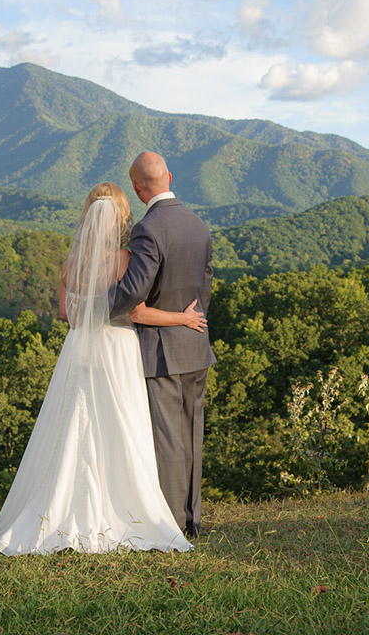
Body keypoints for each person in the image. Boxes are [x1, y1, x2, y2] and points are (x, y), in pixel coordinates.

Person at [0, 182, 203, 555]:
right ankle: (122, 509)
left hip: (79, 350)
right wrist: (183, 318)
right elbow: (136, 310)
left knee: (73, 427)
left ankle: (57, 510)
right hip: (117, 349)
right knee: (119, 427)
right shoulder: (124, 260)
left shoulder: (72, 261)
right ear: (121, 218)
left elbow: (68, 315)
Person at [110, 152, 216, 539]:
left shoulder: (147, 228)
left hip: (160, 349)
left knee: (169, 441)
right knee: (192, 436)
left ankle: (171, 527)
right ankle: (193, 521)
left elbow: (134, 290)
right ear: (169, 177)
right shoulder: (198, 224)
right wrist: (191, 319)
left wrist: (97, 308)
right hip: (195, 343)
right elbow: (203, 288)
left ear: (138, 189)